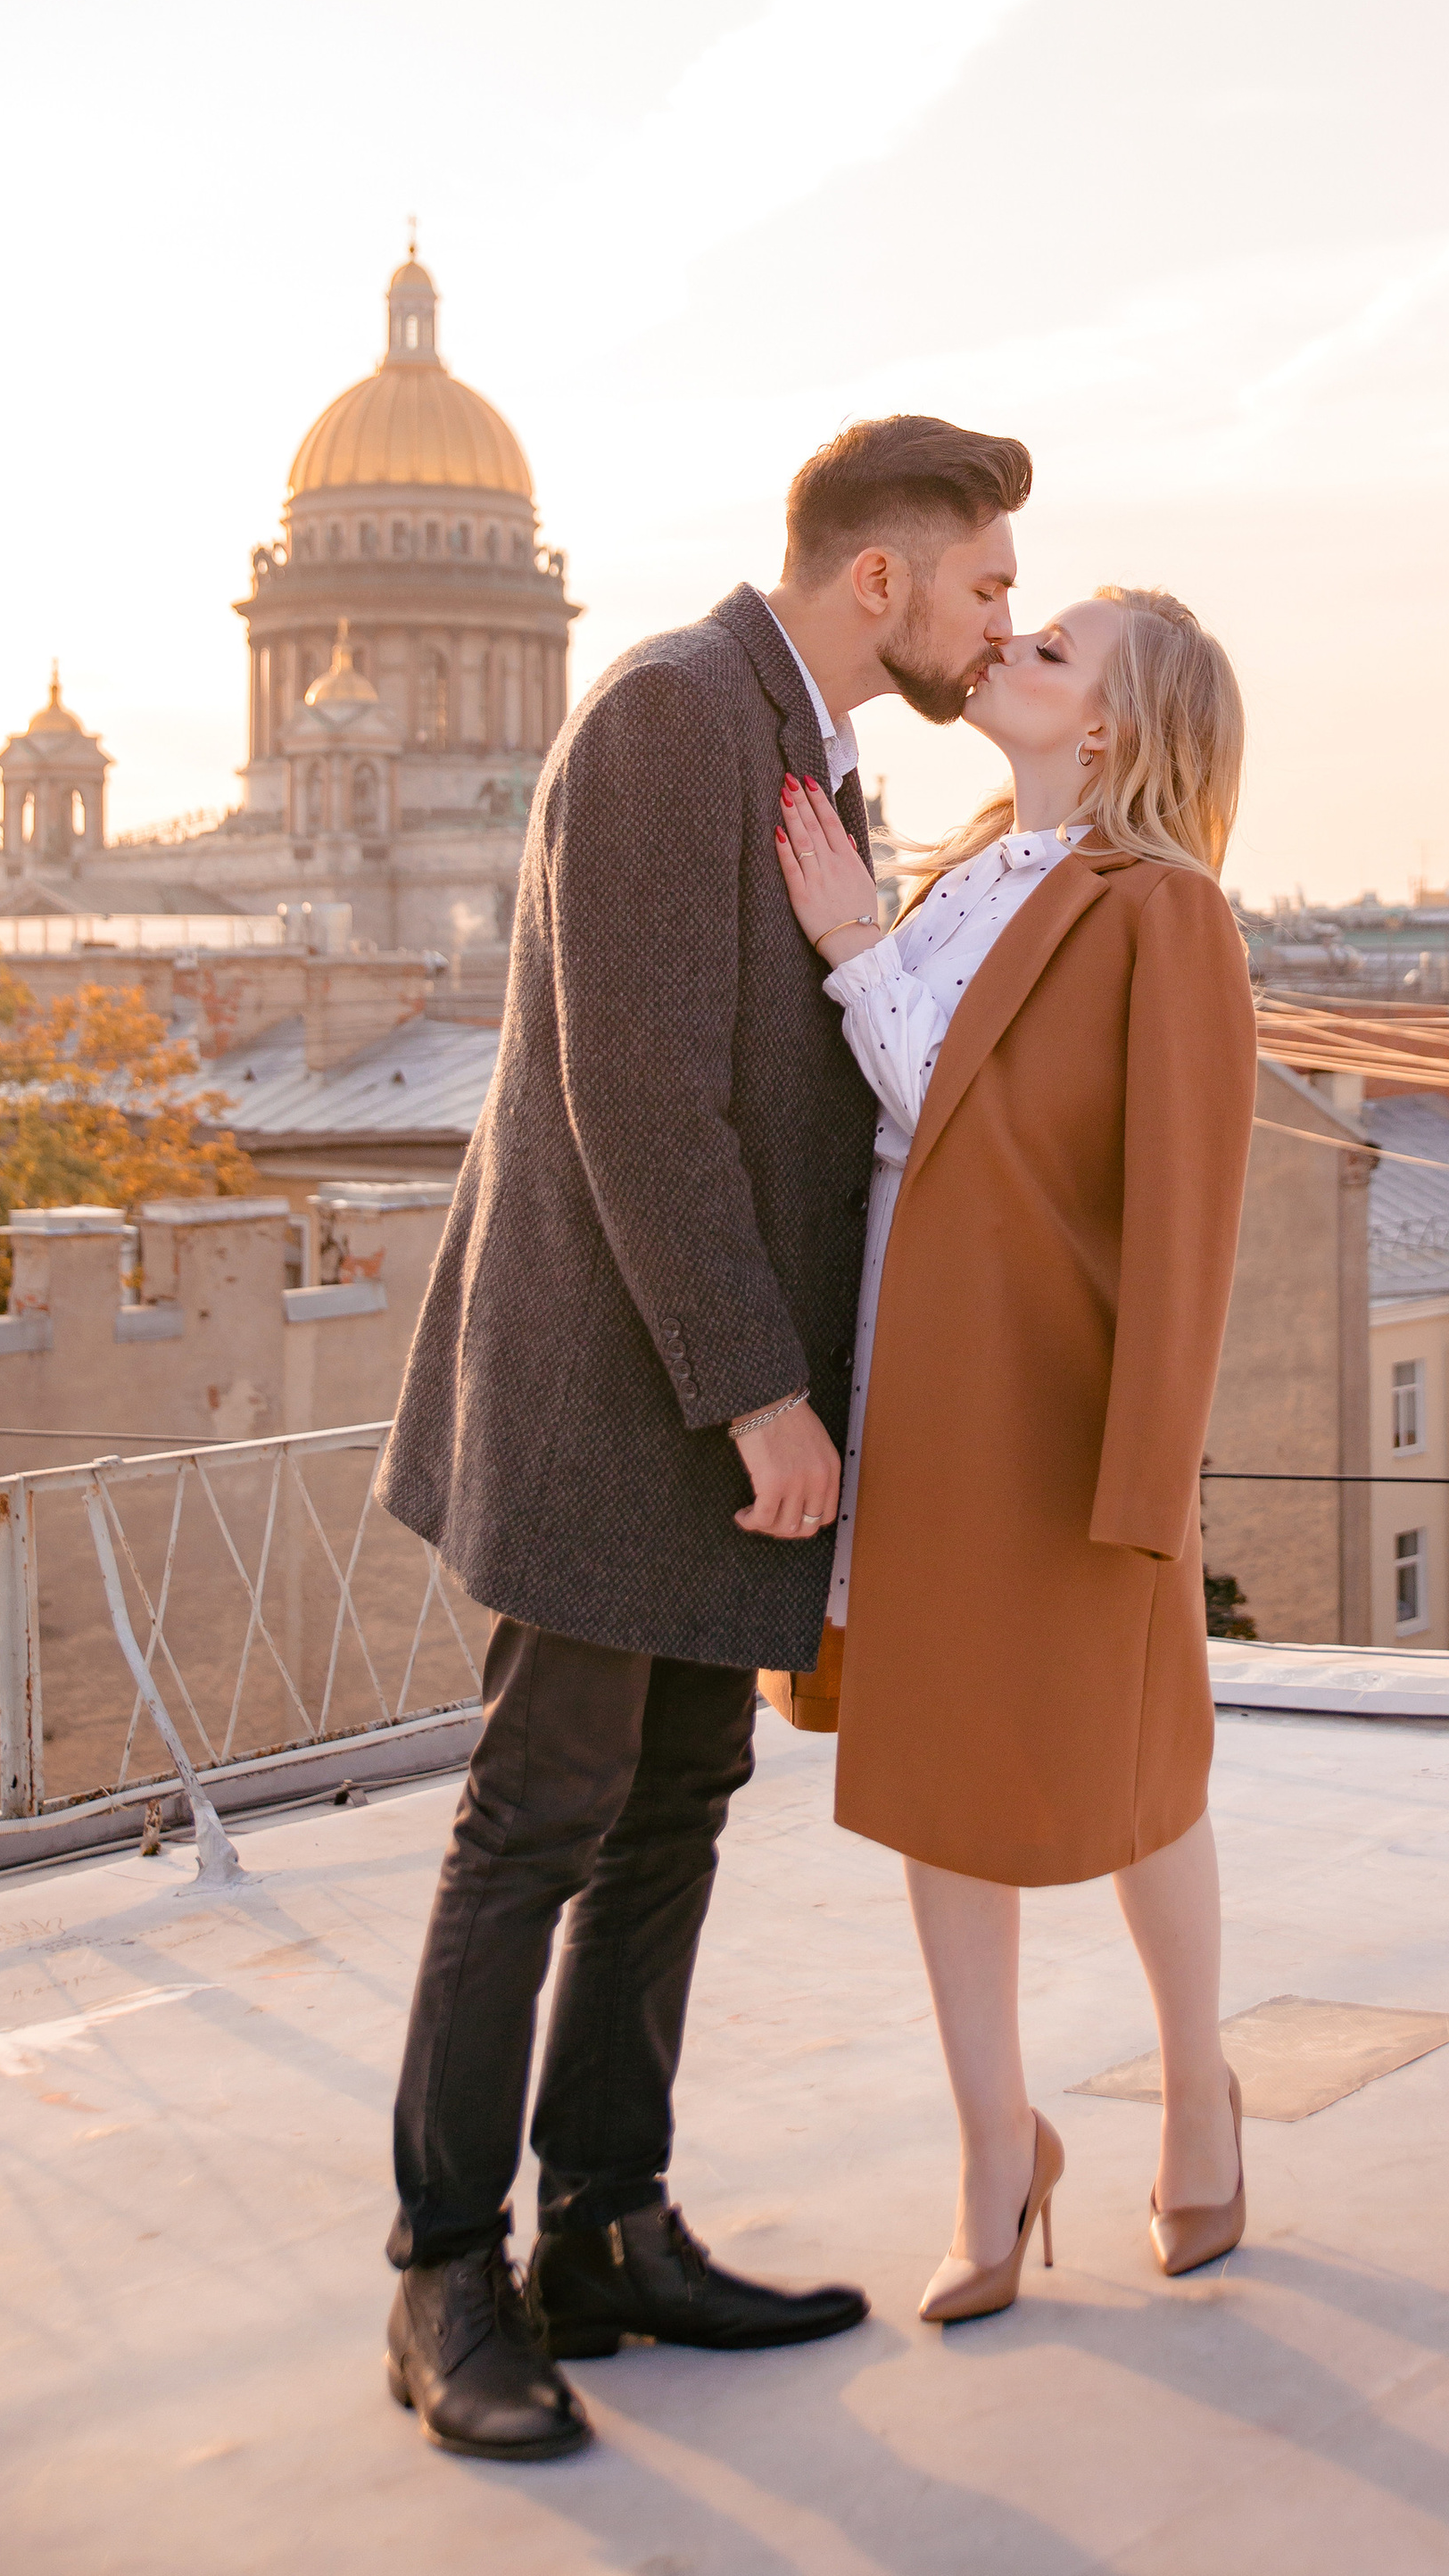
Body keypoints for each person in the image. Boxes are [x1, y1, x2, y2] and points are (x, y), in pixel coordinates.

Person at [371, 412, 1031, 2457]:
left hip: (707, 1405)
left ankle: (602, 2224)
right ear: (874, 581)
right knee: (538, 1819)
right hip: (619, 1397)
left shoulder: (797, 740)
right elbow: (637, 1094)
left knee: (670, 1806)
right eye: (984, 583)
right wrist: (758, 1390)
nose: (998, 620)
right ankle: (439, 2273)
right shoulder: (671, 712)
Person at [772, 584, 1254, 2325]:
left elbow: (1172, 1201)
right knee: (939, 1770)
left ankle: (1195, 2092)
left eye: (1052, 652)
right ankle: (998, 2145)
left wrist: (1150, 1472)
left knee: (1135, 1761)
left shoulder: (1164, 911)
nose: (1009, 650)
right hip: (911, 1379)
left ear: (1114, 727)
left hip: (1055, 1400)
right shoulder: (961, 873)